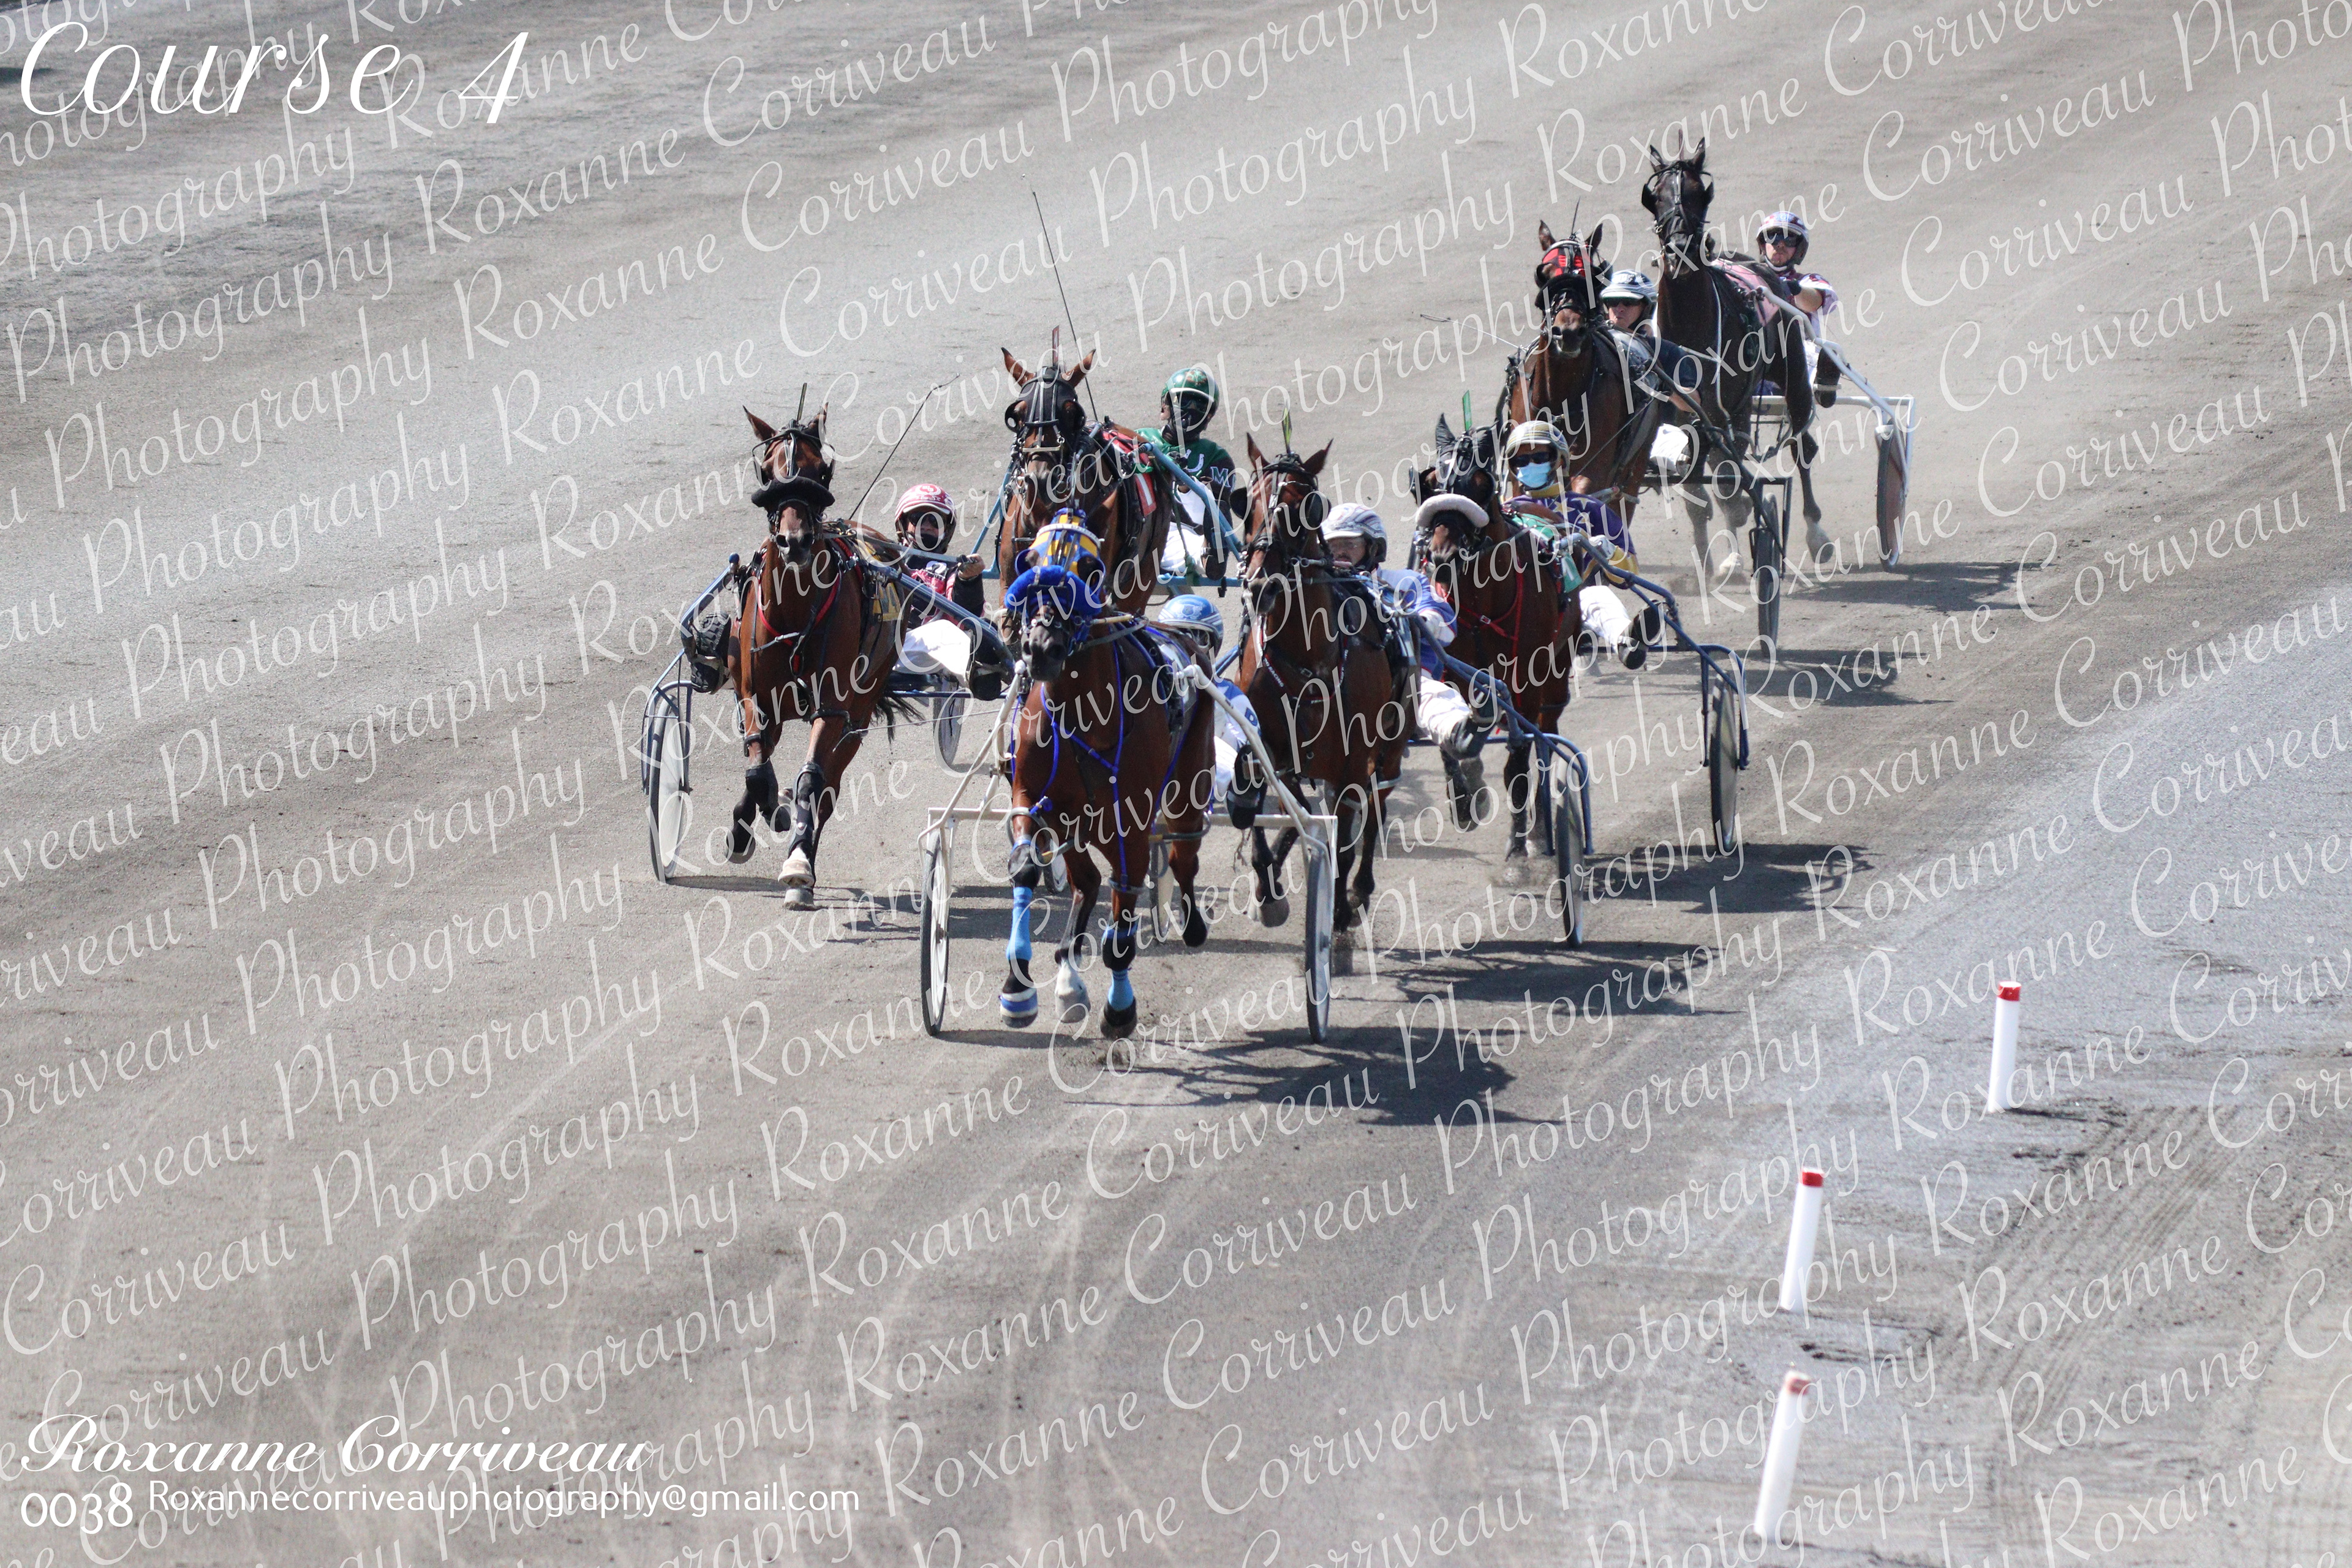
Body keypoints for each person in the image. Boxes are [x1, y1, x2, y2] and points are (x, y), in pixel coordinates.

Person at [1319, 503, 1489, 825]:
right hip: (1333, 690)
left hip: (1401, 685)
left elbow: (1445, 622)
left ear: (1373, 547)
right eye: (1333, 546)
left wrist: (1423, 620)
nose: (1340, 553)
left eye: (1349, 545)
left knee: (1428, 694)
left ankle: (1460, 733)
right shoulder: (1319, 591)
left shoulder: (1404, 583)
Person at [1499, 421, 1639, 662]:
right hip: (1522, 605)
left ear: (1559, 461)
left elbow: (1630, 575)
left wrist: (1607, 551)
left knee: (1598, 596)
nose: (1530, 465)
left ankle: (1626, 642)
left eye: (1539, 457)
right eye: (1521, 461)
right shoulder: (1506, 513)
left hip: (1575, 601)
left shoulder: (1590, 509)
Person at [890, 484, 1009, 700]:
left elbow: (965, 616)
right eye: (919, 518)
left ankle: (987, 671)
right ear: (903, 524)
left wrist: (968, 580)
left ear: (947, 530)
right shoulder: (884, 558)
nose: (927, 525)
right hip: (881, 646)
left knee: (972, 630)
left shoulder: (951, 570)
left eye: (935, 521)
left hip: (922, 651)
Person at [1150, 594, 1258, 810]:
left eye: (1198, 638)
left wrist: (1215, 715)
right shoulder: (1149, 685)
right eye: (1177, 637)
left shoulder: (1229, 694)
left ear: (1213, 645)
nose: (1186, 647)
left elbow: (1246, 749)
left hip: (1205, 762)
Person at [1144, 368, 1248, 581]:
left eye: (1200, 405)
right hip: (1137, 524)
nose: (1191, 410)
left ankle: (1210, 557)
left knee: (1212, 506)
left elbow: (1210, 512)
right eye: (1184, 401)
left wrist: (1185, 483)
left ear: (1209, 416)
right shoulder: (1141, 438)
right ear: (1165, 405)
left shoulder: (1215, 456)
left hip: (1179, 533)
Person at [1755, 213, 1841, 405]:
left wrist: (1794, 290)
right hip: (1753, 350)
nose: (1780, 245)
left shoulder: (1808, 281)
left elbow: (1816, 302)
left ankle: (1823, 385)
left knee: (1809, 353)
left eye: (1789, 240)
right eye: (1773, 237)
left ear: (1799, 250)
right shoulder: (1746, 278)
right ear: (1763, 244)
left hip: (1796, 352)